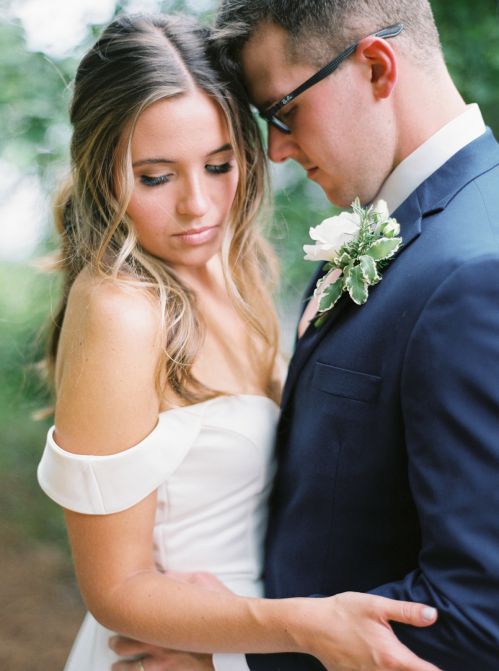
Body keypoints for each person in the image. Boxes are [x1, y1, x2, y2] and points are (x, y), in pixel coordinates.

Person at [36, 12, 441, 671]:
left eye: (219, 164)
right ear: (101, 168)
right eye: (155, 176)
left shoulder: (232, 269)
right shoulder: (123, 308)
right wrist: (303, 627)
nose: (199, 205)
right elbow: (115, 589)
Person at [112, 1, 499, 670]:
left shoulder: (471, 270)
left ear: (376, 68)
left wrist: (233, 659)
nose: (276, 150)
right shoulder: (436, 229)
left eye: (282, 112)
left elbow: (478, 610)